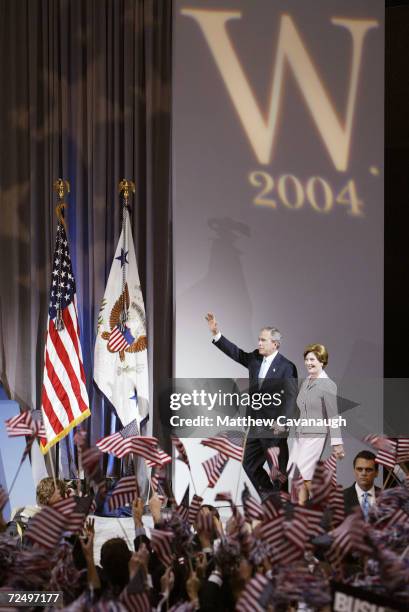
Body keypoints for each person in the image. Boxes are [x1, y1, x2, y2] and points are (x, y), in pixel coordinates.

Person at [205, 312, 298, 500]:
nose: (259, 343)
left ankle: (282, 511)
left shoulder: (287, 366)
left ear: (275, 344)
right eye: (259, 340)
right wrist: (217, 334)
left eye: (263, 340)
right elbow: (237, 354)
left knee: (277, 471)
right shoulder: (255, 359)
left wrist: (283, 422)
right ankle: (270, 498)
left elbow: (291, 397)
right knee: (249, 463)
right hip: (255, 426)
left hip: (275, 429)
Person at [288, 343, 344, 504]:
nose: (308, 363)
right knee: (296, 473)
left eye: (312, 359)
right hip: (301, 434)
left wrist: (337, 443)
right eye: (306, 359)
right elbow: (298, 409)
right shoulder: (306, 382)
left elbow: (333, 415)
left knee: (305, 472)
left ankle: (326, 508)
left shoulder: (328, 385)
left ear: (322, 361)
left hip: (316, 434)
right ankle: (302, 510)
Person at [343, 450, 380, 518]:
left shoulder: (387, 497)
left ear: (376, 473)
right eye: (359, 469)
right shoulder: (340, 498)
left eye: (368, 470)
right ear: (354, 471)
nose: (363, 473)